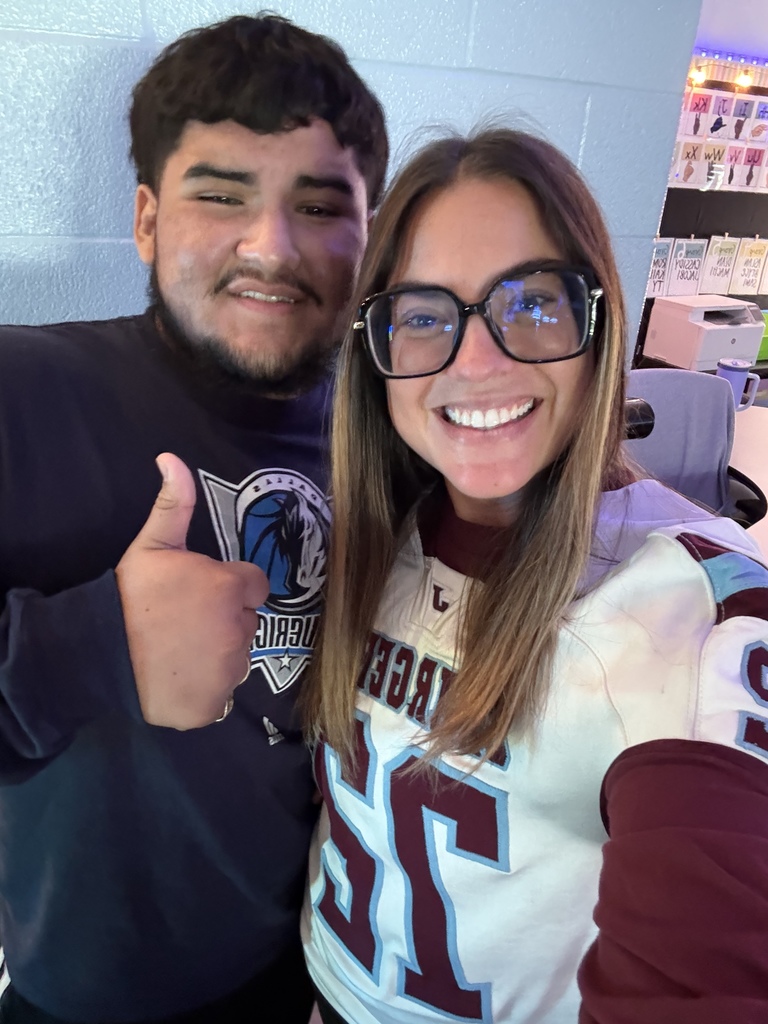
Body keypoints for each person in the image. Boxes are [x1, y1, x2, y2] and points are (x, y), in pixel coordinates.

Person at [299, 127, 768, 1023]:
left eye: (533, 303)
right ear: (376, 352)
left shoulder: (697, 609)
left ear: (599, 327)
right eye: (424, 315)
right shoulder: (371, 538)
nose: (478, 362)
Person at [0, 13, 387, 1024]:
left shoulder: (394, 436)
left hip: (312, 980)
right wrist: (95, 645)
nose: (272, 246)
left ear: (370, 239)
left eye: (320, 205)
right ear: (146, 220)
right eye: (221, 195)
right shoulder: (24, 391)